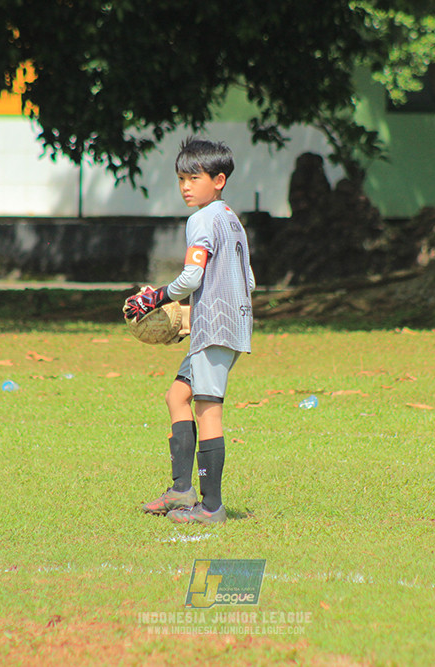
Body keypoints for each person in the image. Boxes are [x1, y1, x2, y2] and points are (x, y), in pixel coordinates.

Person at [125, 137, 255, 525]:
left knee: (207, 409)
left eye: (193, 178)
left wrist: (157, 297)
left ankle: (211, 507)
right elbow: (247, 277)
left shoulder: (201, 219)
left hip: (216, 328)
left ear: (218, 180)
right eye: (181, 178)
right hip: (224, 324)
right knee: (176, 396)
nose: (185, 186)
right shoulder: (232, 219)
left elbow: (193, 276)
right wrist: (192, 317)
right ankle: (182, 488)